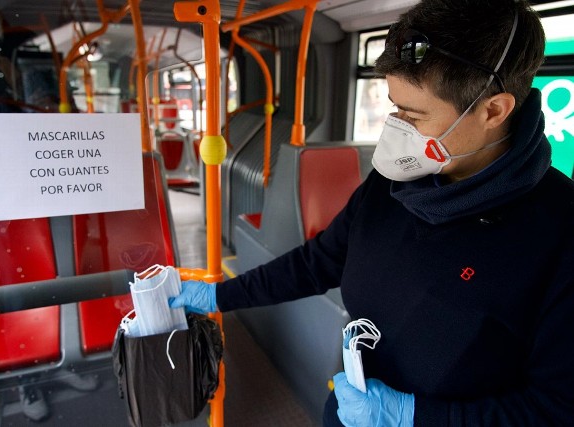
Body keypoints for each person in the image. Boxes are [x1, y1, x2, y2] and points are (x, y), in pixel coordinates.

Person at [170, 0, 574, 425]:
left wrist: (411, 417)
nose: (396, 128)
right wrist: (219, 294)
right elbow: (320, 261)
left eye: (414, 116)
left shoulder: (558, 234)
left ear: (493, 110)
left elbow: (556, 409)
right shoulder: (395, 184)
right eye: (394, 106)